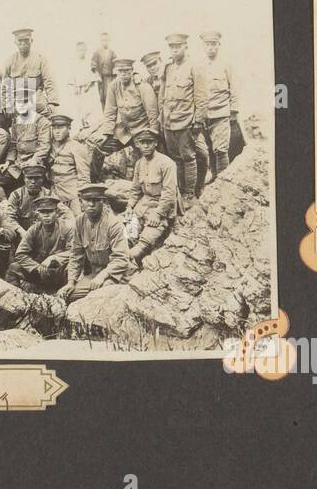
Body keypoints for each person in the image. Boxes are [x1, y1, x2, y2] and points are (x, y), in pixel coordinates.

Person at [58, 184, 132, 303]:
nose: (91, 204)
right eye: (87, 200)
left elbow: (121, 259)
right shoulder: (80, 221)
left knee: (101, 297)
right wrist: (71, 282)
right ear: (81, 202)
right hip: (94, 274)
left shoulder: (114, 224)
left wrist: (102, 276)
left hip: (117, 275)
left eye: (96, 200)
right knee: (66, 295)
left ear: (103, 202)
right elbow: (76, 254)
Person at [158, 32, 209, 199]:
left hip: (186, 121)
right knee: (175, 159)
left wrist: (198, 121)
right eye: (171, 47)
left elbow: (201, 97)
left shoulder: (195, 67)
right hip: (168, 122)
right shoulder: (168, 68)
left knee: (189, 157)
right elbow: (163, 95)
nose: (174, 50)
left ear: (185, 47)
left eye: (177, 47)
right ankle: (180, 191)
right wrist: (161, 116)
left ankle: (189, 194)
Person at [126, 128, 179, 263]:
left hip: (162, 207)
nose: (145, 145)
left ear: (156, 143)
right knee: (127, 235)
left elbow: (169, 193)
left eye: (149, 142)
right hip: (143, 205)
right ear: (137, 144)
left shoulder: (166, 163)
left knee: (141, 246)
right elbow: (136, 189)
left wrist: (158, 213)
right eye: (142, 142)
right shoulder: (139, 163)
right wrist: (130, 206)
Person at [7, 194, 73, 293]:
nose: (46, 215)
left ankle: (64, 296)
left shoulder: (66, 228)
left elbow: (74, 252)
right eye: (42, 212)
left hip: (59, 270)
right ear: (37, 214)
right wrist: (36, 267)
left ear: (57, 213)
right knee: (14, 268)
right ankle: (15, 297)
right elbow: (20, 254)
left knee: (71, 269)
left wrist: (55, 258)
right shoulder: (34, 229)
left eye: (50, 211)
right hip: (39, 270)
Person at [199, 31, 238, 179]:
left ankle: (223, 181)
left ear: (219, 45)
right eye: (207, 44)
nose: (210, 48)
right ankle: (215, 178)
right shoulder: (199, 65)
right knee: (209, 149)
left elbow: (234, 87)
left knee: (221, 150)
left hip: (221, 113)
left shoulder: (226, 64)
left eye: (213, 44)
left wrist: (234, 110)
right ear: (203, 46)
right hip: (204, 115)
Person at [102, 57, 159, 146]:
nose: (123, 74)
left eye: (126, 70)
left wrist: (153, 135)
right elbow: (110, 112)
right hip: (125, 133)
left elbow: (153, 114)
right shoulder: (113, 86)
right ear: (116, 71)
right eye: (120, 71)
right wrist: (107, 133)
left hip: (142, 131)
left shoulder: (142, 86)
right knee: (101, 148)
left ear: (132, 70)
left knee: (145, 155)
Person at [3, 28, 58, 119]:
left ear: (31, 41)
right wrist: (7, 105)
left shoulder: (40, 59)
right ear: (15, 42)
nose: (23, 43)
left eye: (26, 40)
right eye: (20, 41)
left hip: (37, 103)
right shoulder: (10, 61)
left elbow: (49, 81)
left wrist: (52, 103)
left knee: (51, 123)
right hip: (18, 105)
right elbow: (5, 86)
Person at [47, 113, 92, 215]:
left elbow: (84, 176)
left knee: (78, 223)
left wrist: (81, 199)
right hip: (54, 195)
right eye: (54, 128)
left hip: (72, 196)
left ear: (69, 128)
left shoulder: (77, 147)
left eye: (61, 127)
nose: (57, 131)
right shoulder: (49, 147)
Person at [67, 40, 100, 127]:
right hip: (78, 89)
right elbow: (72, 76)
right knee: (79, 108)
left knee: (88, 108)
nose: (81, 52)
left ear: (86, 50)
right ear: (76, 51)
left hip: (88, 89)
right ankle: (81, 125)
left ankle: (88, 123)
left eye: (83, 50)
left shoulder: (90, 62)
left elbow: (94, 75)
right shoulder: (73, 62)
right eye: (79, 50)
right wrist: (75, 87)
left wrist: (89, 85)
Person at [91, 32, 116, 108]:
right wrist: (96, 74)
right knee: (101, 97)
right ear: (100, 41)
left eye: (106, 40)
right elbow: (93, 64)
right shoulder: (97, 52)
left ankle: (110, 113)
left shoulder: (112, 52)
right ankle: (104, 113)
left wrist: (115, 74)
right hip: (101, 78)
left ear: (109, 41)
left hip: (110, 77)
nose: (104, 42)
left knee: (110, 95)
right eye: (102, 40)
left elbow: (116, 63)